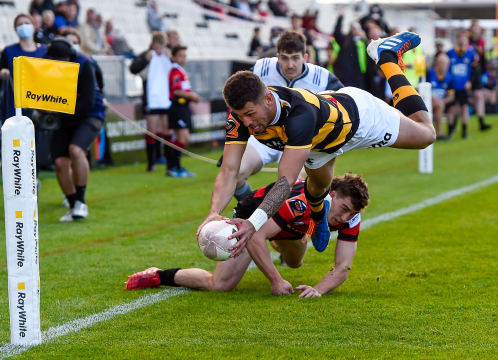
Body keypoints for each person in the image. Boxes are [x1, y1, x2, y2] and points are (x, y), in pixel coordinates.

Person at [198, 32, 435, 263]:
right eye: (241, 116)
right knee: (318, 185)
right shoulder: (240, 118)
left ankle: (386, 57)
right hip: (320, 143)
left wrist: (253, 223)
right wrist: (213, 212)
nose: (246, 123)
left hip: (360, 120)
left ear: (269, 99)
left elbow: (285, 182)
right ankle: (319, 215)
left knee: (426, 134)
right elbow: (229, 170)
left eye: (250, 114)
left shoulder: (300, 115)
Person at [127, 174, 369, 296]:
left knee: (295, 263)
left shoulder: (350, 217)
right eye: (344, 209)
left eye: (352, 213)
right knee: (220, 286)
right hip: (250, 221)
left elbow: (343, 267)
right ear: (333, 194)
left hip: (286, 227)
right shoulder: (299, 202)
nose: (345, 218)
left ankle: (276, 239)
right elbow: (254, 235)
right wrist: (275, 281)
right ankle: (158, 275)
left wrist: (318, 290)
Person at [229, 31, 343, 202]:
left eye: (295, 58)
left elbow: (342, 106)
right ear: (277, 57)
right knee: (235, 173)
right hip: (265, 136)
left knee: (292, 185)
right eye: (284, 58)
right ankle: (249, 206)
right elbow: (239, 100)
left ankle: (283, 223)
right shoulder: (262, 68)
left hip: (300, 142)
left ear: (305, 56)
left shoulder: (322, 77)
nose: (290, 64)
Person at [44, 38, 105, 222]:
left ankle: (81, 200)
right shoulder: (48, 69)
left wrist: (58, 111)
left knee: (76, 150)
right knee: (61, 163)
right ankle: (73, 205)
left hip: (89, 115)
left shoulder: (85, 65)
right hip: (63, 117)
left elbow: (86, 103)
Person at [130, 32, 173, 172]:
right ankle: (151, 163)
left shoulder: (168, 55)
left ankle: (168, 162)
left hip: (166, 98)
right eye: (158, 46)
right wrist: (145, 59)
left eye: (163, 46)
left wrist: (171, 58)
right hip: (151, 99)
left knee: (166, 129)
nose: (160, 49)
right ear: (153, 44)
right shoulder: (147, 55)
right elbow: (133, 68)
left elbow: (178, 67)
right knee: (152, 130)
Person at [0, 13, 47, 118]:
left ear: (33, 26)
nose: (23, 26)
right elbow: (2, 70)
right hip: (15, 109)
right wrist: (3, 73)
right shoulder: (8, 51)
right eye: (20, 24)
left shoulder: (45, 50)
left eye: (27, 23)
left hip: (41, 106)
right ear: (15, 29)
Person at [166, 45, 201, 177]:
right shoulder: (175, 71)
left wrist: (191, 96)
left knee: (182, 138)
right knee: (182, 137)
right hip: (178, 107)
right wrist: (191, 95)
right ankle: (173, 167)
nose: (183, 58)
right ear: (173, 57)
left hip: (183, 107)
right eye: (180, 55)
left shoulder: (180, 71)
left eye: (184, 55)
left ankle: (175, 167)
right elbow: (175, 91)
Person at [446, 30, 475, 139]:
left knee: (464, 108)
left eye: (465, 38)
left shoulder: (470, 53)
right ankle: (450, 130)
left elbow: (474, 69)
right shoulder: (450, 52)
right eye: (461, 38)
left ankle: (464, 131)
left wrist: (470, 81)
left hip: (464, 86)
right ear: (458, 39)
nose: (462, 40)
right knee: (451, 108)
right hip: (452, 85)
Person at [427, 53, 453, 139]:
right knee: (439, 104)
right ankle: (438, 133)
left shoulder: (449, 77)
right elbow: (421, 89)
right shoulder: (429, 73)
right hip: (426, 100)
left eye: (447, 64)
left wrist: (443, 101)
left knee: (441, 104)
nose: (446, 67)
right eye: (445, 64)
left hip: (440, 103)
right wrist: (431, 98)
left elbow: (451, 96)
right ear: (438, 64)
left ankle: (440, 132)